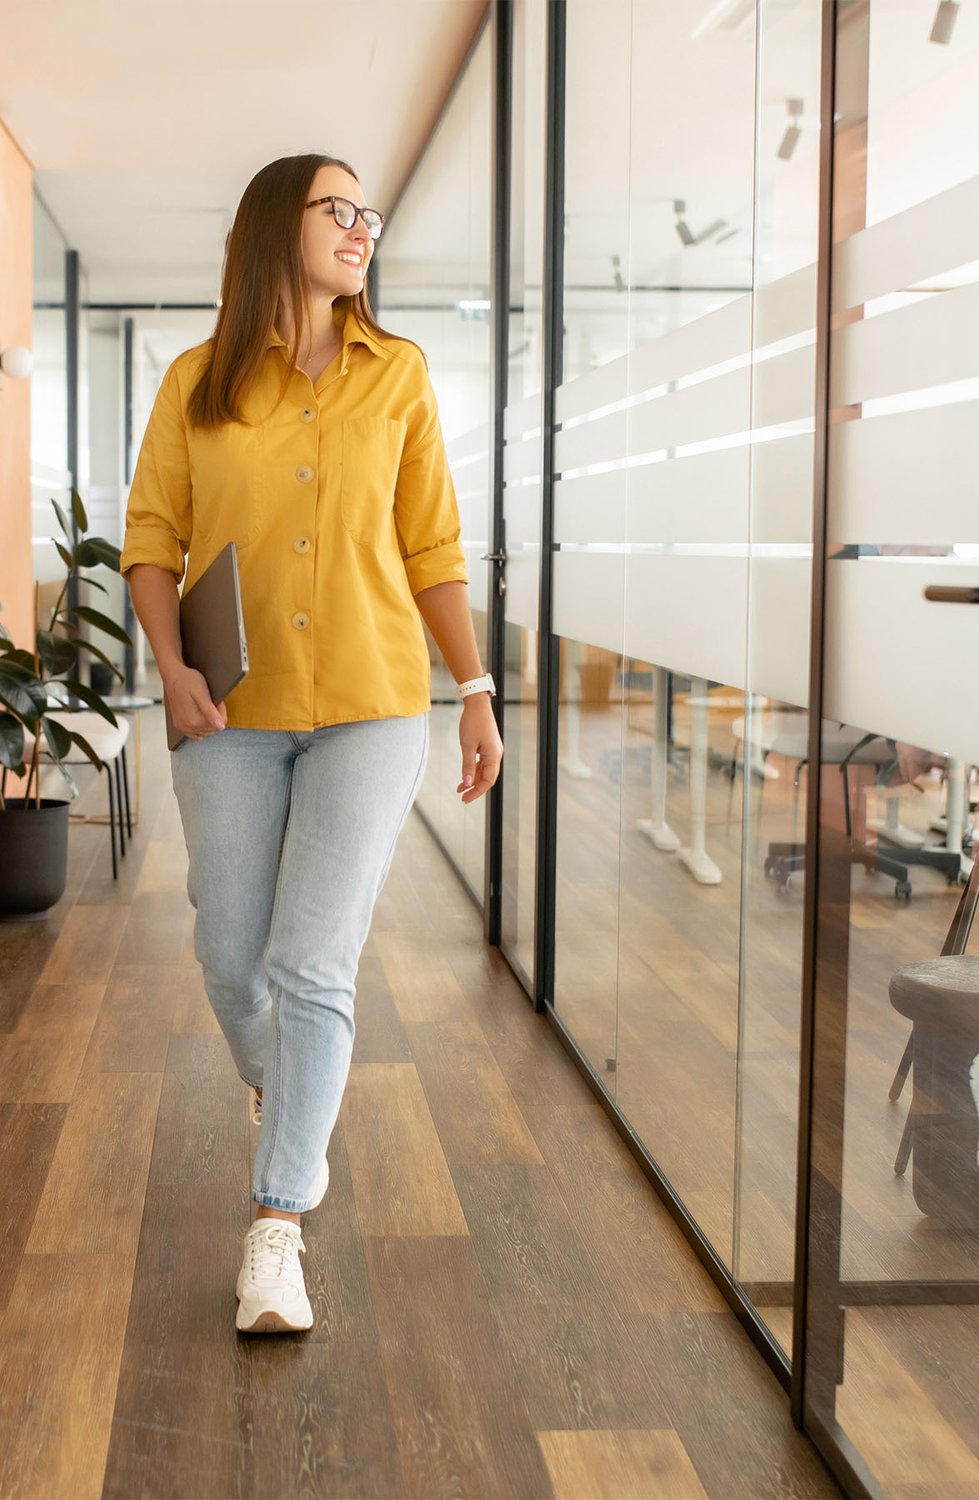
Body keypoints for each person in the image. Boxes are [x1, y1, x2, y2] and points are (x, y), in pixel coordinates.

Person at [121, 153, 503, 1334]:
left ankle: (277, 1223)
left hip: (372, 702)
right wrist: (172, 670)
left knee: (310, 963)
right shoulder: (196, 381)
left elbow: (431, 544)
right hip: (230, 713)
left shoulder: (400, 376)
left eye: (370, 215)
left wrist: (476, 687)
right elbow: (151, 537)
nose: (362, 228)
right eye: (340, 208)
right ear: (275, 225)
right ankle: (282, 1091)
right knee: (231, 957)